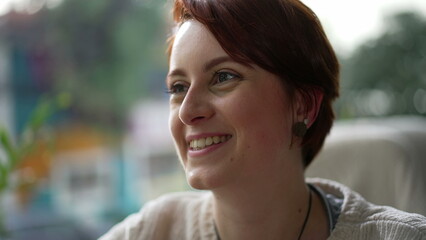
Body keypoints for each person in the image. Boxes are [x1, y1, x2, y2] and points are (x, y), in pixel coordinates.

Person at [100, 0, 426, 239]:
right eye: (178, 87)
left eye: (223, 76)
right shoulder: (150, 232)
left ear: (303, 106)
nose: (187, 111)